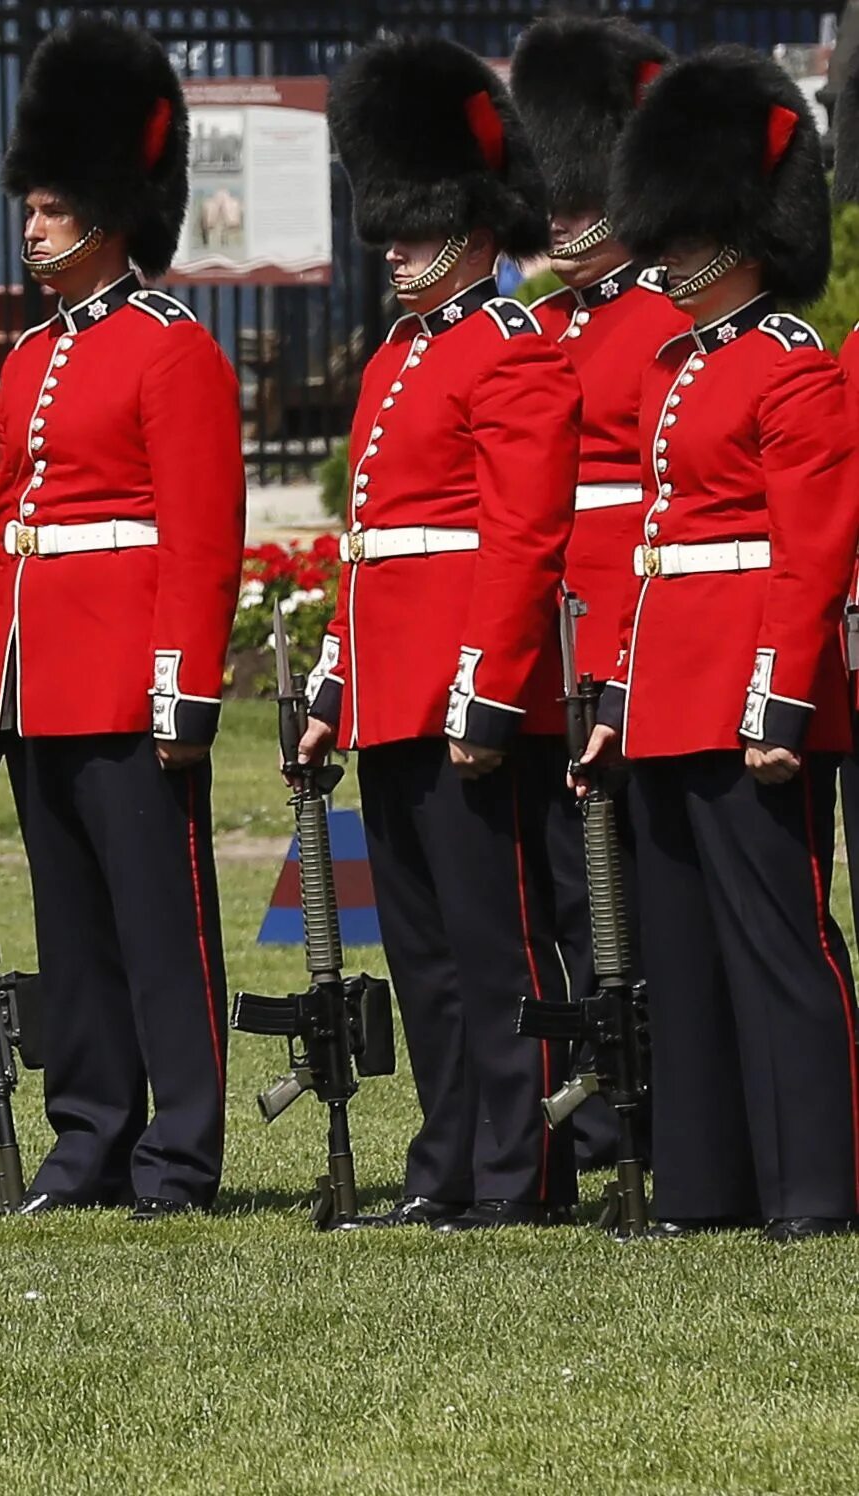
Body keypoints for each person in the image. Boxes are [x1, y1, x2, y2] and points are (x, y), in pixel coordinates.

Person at [0, 16, 242, 1220]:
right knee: (69, 932)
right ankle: (89, 1139)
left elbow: (199, 538)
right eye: (29, 207)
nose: (31, 227)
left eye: (54, 207)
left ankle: (179, 1149)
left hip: (126, 677)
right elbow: (8, 539)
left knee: (159, 926)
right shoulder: (30, 357)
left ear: (111, 215)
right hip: (43, 681)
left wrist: (182, 688)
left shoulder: (172, 350)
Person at [584, 48, 859, 1242]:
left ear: (740, 232)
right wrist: (618, 694)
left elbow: (809, 555)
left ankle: (814, 1188)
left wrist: (778, 701)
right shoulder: (675, 365)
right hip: (668, 685)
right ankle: (704, 1187)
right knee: (683, 950)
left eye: (687, 231)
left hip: (750, 685)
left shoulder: (786, 363)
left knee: (776, 940)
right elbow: (652, 547)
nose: (667, 252)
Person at [309, 36, 581, 1230]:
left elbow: (521, 539)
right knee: (420, 950)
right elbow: (366, 539)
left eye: (413, 225)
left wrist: (485, 692)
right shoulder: (394, 357)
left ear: (471, 226)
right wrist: (335, 681)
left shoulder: (509, 347)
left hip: (467, 695)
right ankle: (446, 1164)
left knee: (493, 942)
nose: (392, 245)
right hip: (391, 691)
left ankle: (520, 1170)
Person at [509, 14, 683, 1176]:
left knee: (637, 899)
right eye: (554, 199)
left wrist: (619, 663)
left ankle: (659, 1118)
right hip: (539, 651)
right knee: (562, 899)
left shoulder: (667, 321)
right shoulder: (533, 327)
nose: (563, 218)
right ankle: (587, 1117)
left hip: (629, 644)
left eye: (582, 198)